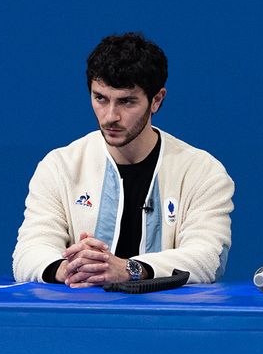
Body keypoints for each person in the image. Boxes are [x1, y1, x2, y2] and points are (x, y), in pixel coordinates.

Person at [13, 32, 234, 287]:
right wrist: (69, 269)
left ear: (157, 100)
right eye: (100, 98)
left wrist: (130, 269)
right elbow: (27, 253)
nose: (110, 116)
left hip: (165, 313)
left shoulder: (202, 172)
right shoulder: (59, 167)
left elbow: (208, 258)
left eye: (127, 102)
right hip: (80, 312)